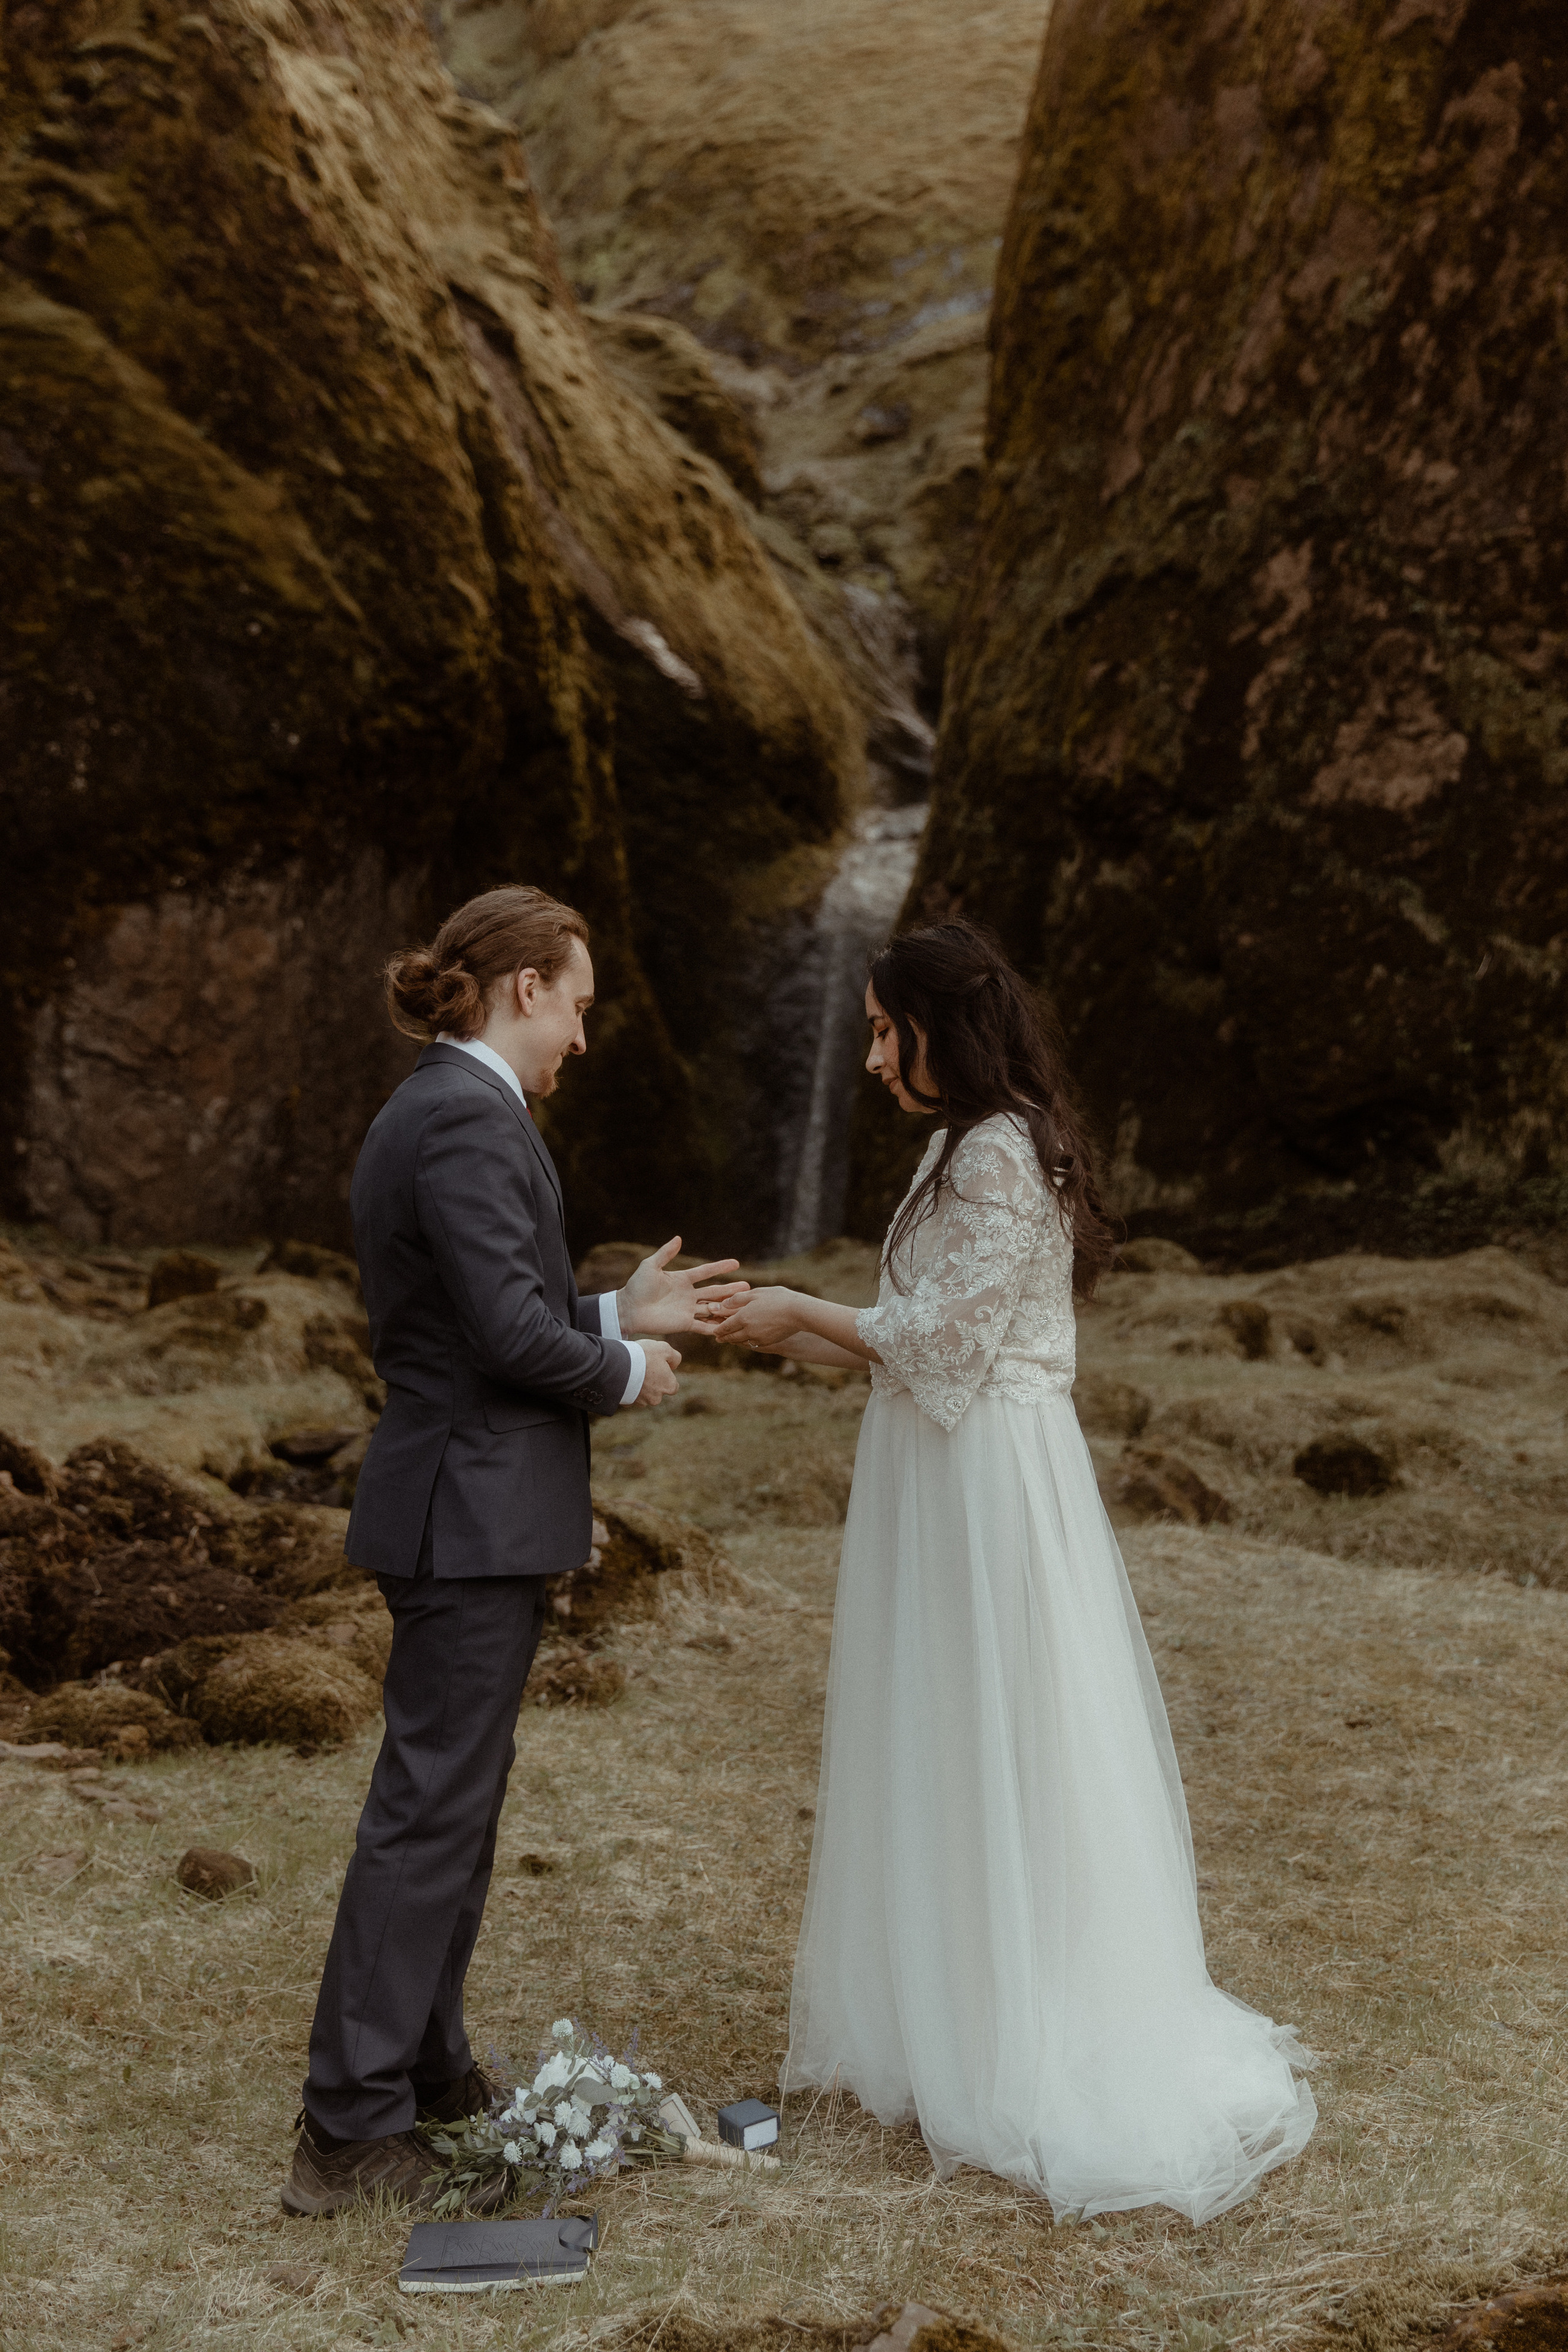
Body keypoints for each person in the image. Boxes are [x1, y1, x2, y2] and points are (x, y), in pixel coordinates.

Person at [709, 918, 1316, 2223]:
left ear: (944, 1026)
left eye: (884, 1030)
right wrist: (758, 1325)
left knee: (1001, 1730)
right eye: (865, 1031)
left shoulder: (994, 1155)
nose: (870, 1057)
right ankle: (955, 2005)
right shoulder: (957, 1148)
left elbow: (931, 1347)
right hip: (940, 1467)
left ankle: (1020, 2024)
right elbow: (898, 1349)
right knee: (943, 1730)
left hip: (986, 1484)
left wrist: (799, 1311)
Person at [283, 884, 746, 2217]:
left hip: (470, 1507)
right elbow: (505, 1342)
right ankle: (346, 2126)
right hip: (463, 1515)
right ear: (525, 986)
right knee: (428, 1817)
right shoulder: (463, 1118)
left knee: (454, 1818)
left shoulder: (452, 1111)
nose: (585, 1040)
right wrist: (628, 1367)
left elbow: (492, 1306)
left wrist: (613, 1304)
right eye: (580, 1007)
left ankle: (428, 2078)